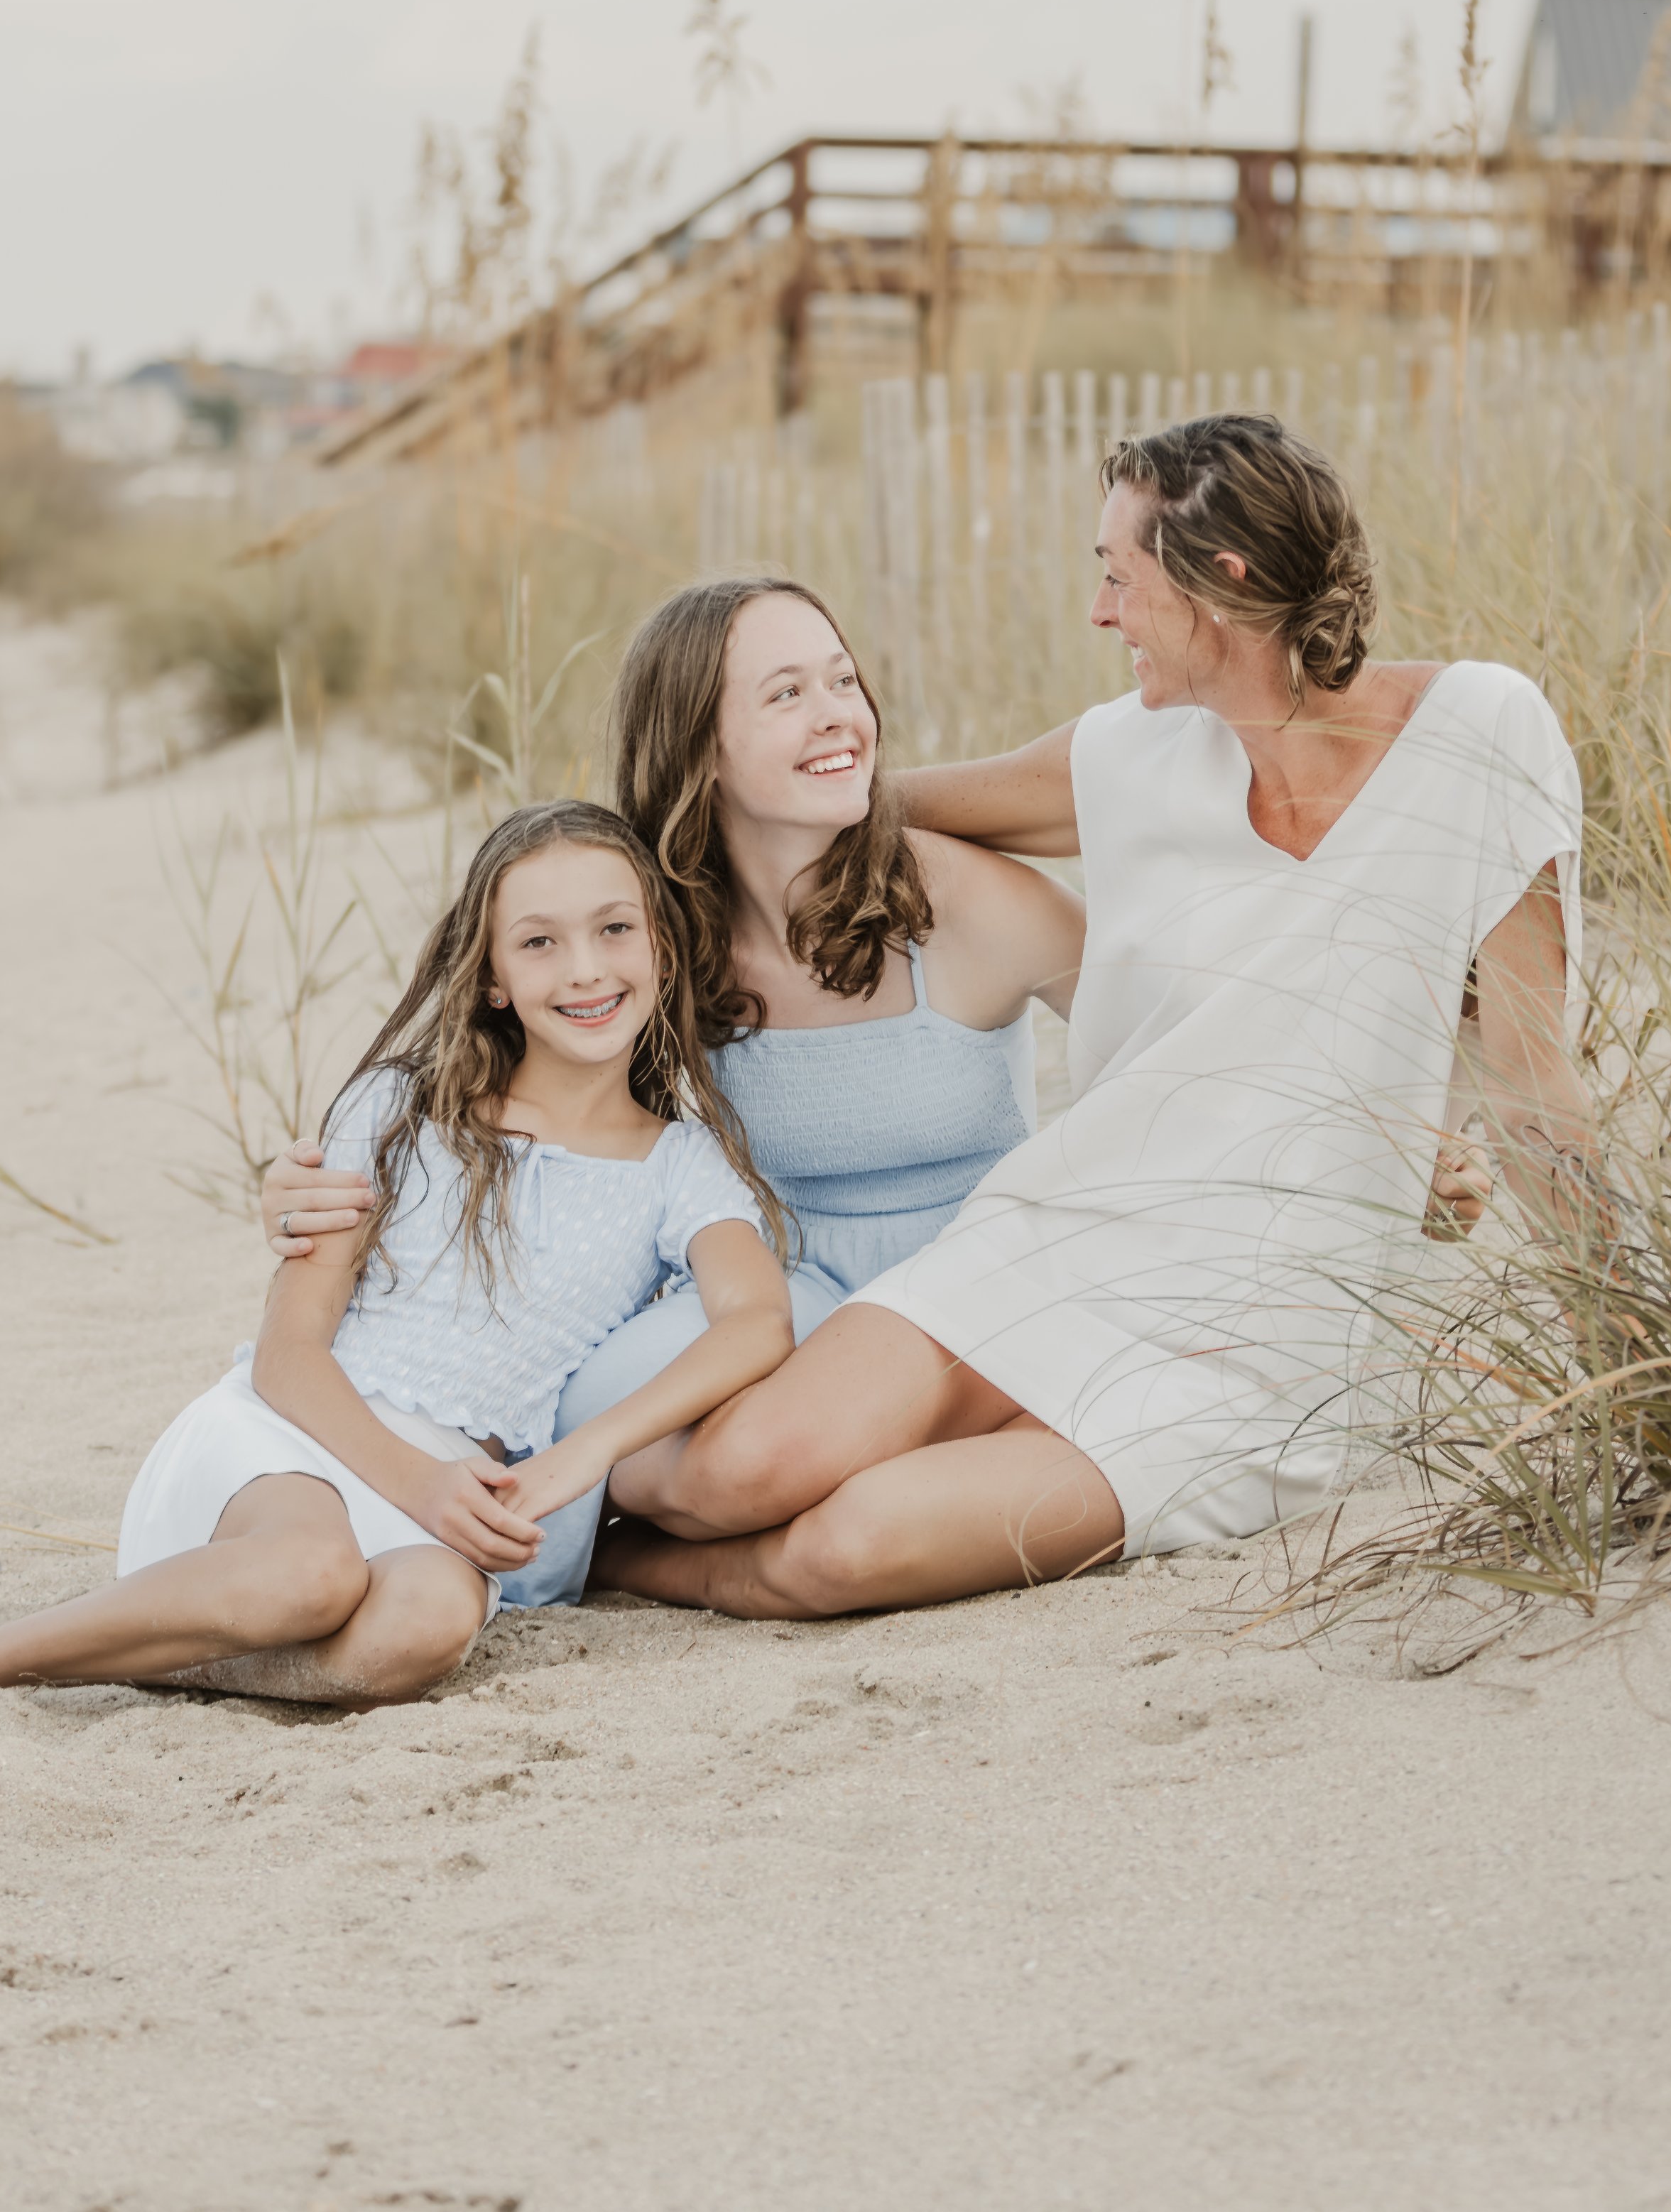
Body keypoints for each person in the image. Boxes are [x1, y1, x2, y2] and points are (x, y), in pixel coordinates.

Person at [592, 413, 1594, 1618]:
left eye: (1118, 575)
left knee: (842, 1549)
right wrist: (699, 805)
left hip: (1268, 1340)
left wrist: (1635, 1360)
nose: (1101, 612)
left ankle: (626, 1573)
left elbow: (1539, 1094)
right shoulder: (1132, 752)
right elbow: (876, 801)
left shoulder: (1482, 736)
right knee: (752, 1467)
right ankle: (572, 1556)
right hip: (1068, 1237)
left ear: (1217, 583)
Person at [262, 576, 1089, 1601]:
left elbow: (1175, 1051)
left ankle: (648, 1563)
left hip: (977, 1265)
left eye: (843, 679)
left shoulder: (964, 899)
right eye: (785, 693)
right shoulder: (659, 929)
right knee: (594, 1429)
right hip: (790, 1277)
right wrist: (322, 1175)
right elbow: (496, 1064)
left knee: (759, 1468)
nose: (837, 710)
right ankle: (623, 1548)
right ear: (701, 747)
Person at [0, 802, 790, 1703]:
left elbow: (755, 1321)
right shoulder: (401, 1111)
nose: (586, 969)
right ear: (490, 978)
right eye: (539, 943)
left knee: (427, 1626)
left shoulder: (678, 1163)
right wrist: (420, 1481)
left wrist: (575, 1460)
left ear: (660, 947)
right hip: (297, 1438)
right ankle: (0, 1653)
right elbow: (290, 1354)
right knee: (309, 1576)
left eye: (613, 929)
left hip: (449, 1501)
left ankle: (179, 1652)